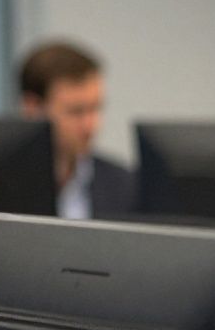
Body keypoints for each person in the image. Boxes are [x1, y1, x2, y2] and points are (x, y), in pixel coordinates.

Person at [18, 40, 138, 219]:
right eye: (76, 111)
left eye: (95, 108)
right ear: (32, 108)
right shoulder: (0, 187)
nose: (91, 125)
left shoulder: (126, 185)